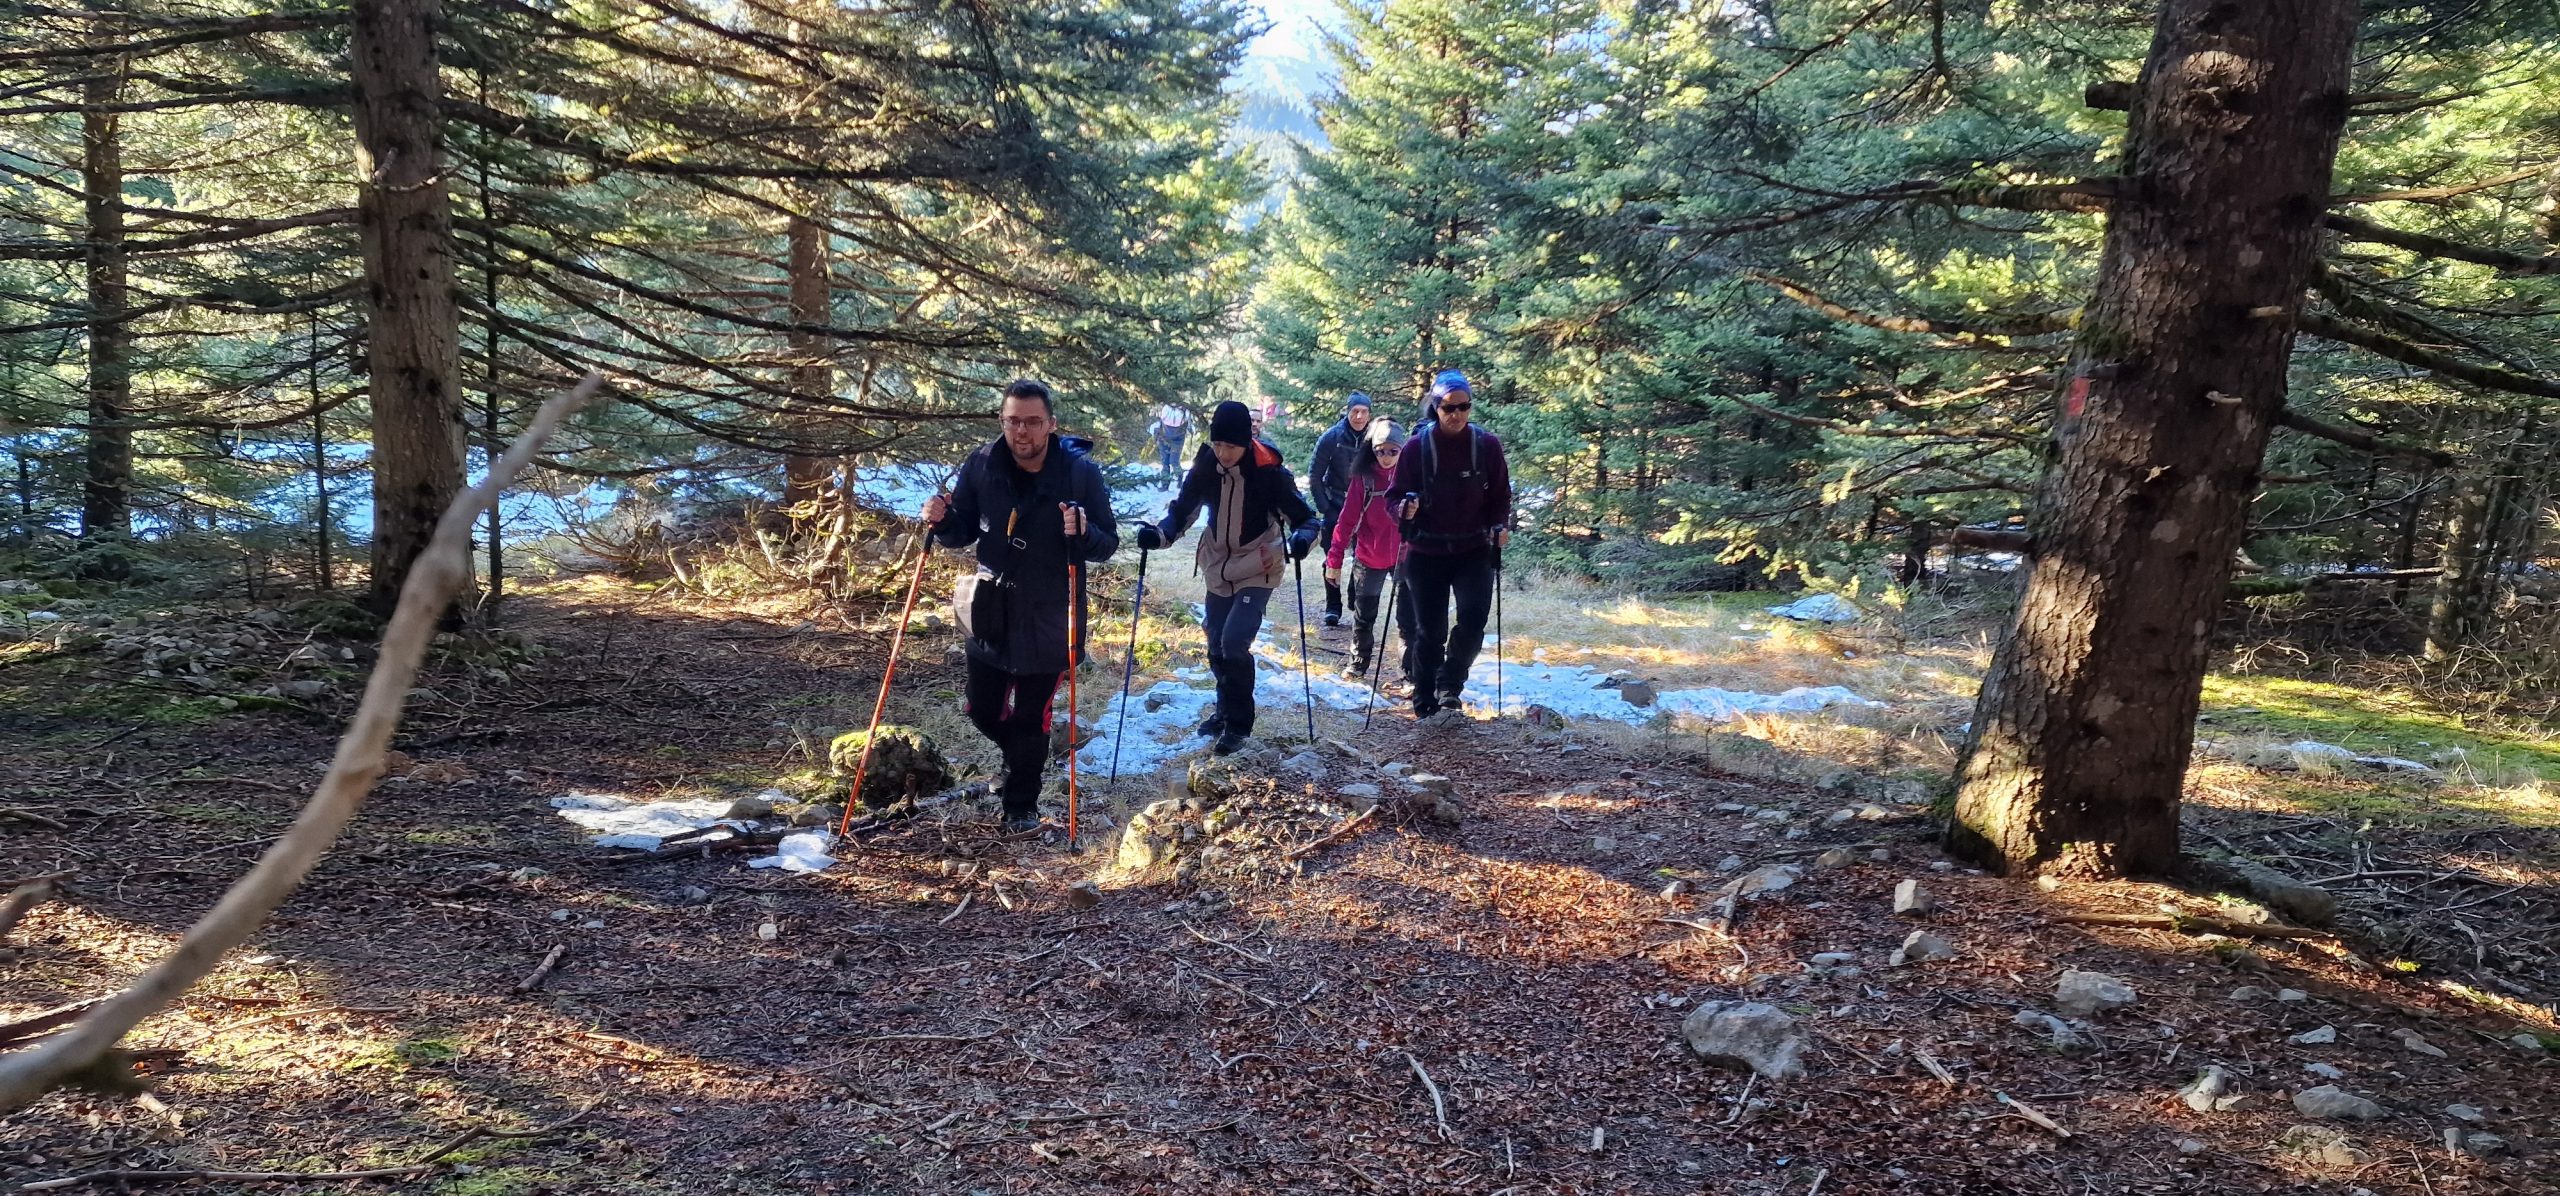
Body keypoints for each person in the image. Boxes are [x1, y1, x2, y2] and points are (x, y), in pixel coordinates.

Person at [923, 379, 1119, 833]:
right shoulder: (982, 463)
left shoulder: (1079, 475)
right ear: (1002, 421)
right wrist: (943, 520)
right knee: (981, 709)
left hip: (1052, 611)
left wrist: (1083, 531)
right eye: (1013, 421)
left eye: (1032, 422)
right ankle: (1021, 760)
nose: (1022, 431)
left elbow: (1106, 543)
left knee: (1032, 717)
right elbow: (962, 530)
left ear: (1051, 424)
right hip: (990, 608)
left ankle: (1020, 807)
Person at [1133, 400, 1321, 756]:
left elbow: (1307, 520)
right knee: (1216, 643)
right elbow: (1181, 513)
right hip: (1217, 566)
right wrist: (1157, 536)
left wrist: (1302, 540)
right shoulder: (1206, 467)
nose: (1223, 452)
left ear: (1246, 442)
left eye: (1230, 446)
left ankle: (1239, 725)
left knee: (1234, 642)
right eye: (1218, 444)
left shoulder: (1269, 472)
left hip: (1258, 567)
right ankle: (1223, 710)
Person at [1392, 369, 1511, 720]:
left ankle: (1450, 686)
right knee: (1430, 631)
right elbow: (1394, 496)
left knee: (1473, 621)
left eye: (1463, 407)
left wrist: (1499, 526)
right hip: (1425, 552)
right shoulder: (1416, 448)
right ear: (1436, 408)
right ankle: (1424, 696)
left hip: (1473, 550)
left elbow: (1500, 496)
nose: (1456, 414)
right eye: (1448, 408)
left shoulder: (1486, 446)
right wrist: (1404, 509)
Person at [1324, 418, 1415, 687]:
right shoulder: (1363, 479)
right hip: (1369, 555)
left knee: (1407, 620)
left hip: (1405, 555)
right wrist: (1334, 560)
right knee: (1364, 615)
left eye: (1393, 451)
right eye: (1380, 451)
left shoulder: (1412, 476)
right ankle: (1358, 664)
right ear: (1371, 450)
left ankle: (1408, 673)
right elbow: (1346, 520)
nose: (1386, 457)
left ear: (1402, 450)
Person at [1307, 392, 1374, 627]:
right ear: (1347, 412)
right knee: (1331, 556)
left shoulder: (1374, 437)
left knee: (1363, 555)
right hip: (1336, 503)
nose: (1359, 416)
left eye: (1364, 412)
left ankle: (1355, 596)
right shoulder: (1331, 437)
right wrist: (1325, 507)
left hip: (1366, 505)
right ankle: (1332, 606)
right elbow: (1315, 475)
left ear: (1369, 414)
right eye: (1355, 411)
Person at [1150, 402, 1188, 479]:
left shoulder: (1184, 410)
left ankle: (1179, 478)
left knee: (1174, 461)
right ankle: (1165, 480)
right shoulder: (1162, 406)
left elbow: (1189, 424)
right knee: (1165, 461)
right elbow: (1155, 422)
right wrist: (1155, 432)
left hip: (1177, 438)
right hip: (1163, 437)